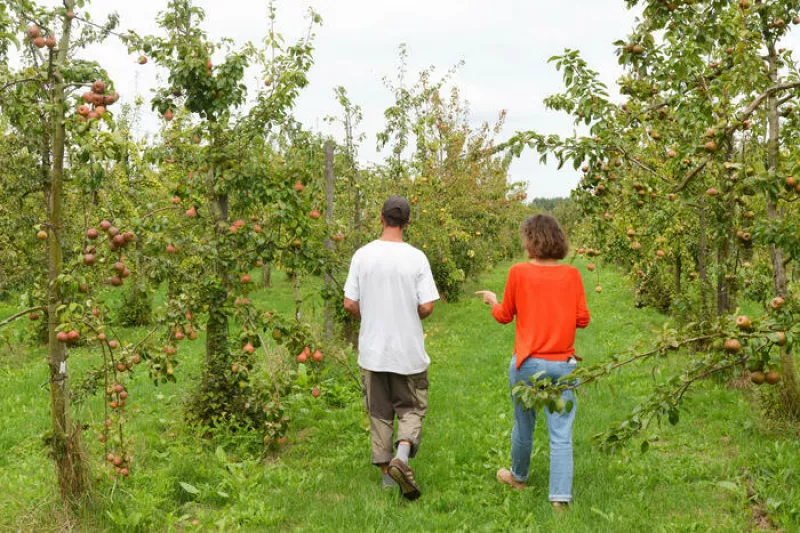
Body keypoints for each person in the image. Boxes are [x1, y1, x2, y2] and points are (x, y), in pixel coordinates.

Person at [476, 213, 590, 510]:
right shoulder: (573, 275)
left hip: (527, 364)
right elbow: (583, 319)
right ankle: (560, 500)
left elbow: (504, 316)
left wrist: (492, 300)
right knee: (561, 432)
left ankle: (518, 477)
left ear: (531, 240)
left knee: (523, 425)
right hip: (563, 365)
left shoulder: (518, 273)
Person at [343, 195, 440, 501]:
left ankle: (388, 477)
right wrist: (411, 314)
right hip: (407, 352)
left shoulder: (362, 255)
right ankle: (402, 456)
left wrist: (371, 314)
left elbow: (349, 302)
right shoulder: (416, 258)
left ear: (381, 218)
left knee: (380, 411)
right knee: (411, 407)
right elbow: (426, 305)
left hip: (373, 351)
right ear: (407, 223)